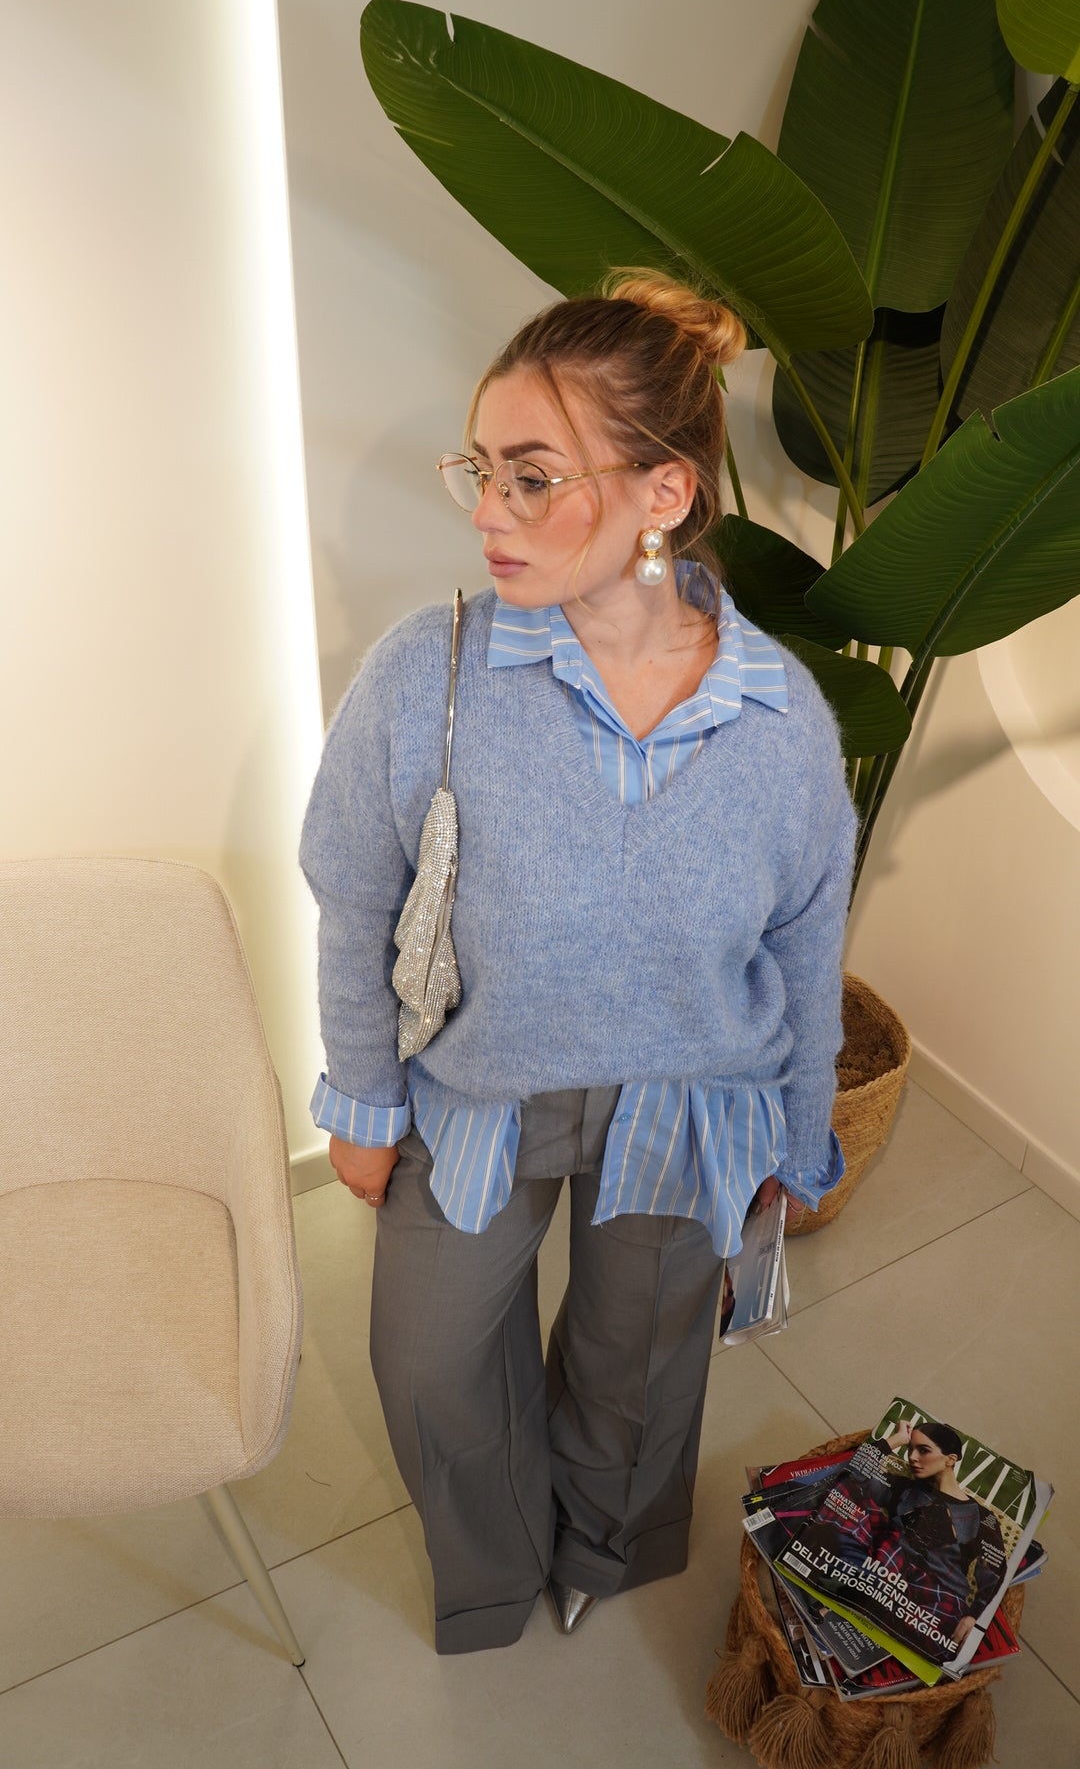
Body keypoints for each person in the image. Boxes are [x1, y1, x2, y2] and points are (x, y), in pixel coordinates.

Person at [298, 268, 857, 1655]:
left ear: (664, 493)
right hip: (477, 1091)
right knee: (430, 1360)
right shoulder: (428, 671)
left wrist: (795, 1136)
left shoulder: (780, 719)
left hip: (689, 1096)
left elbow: (806, 944)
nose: (488, 511)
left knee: (641, 1360)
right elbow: (353, 891)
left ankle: (610, 1545)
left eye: (533, 478)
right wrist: (362, 1097)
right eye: (482, 471)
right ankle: (493, 1572)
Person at [815, 1418, 1009, 1648]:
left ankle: (847, 1607)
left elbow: (995, 1571)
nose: (913, 1457)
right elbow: (853, 1476)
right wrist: (895, 1440)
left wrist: (974, 1615)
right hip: (880, 1570)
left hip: (935, 1595)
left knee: (930, 1636)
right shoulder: (904, 1488)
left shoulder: (980, 1516)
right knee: (851, 1501)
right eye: (910, 1449)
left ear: (950, 1459)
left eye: (923, 1450)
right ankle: (846, 1606)